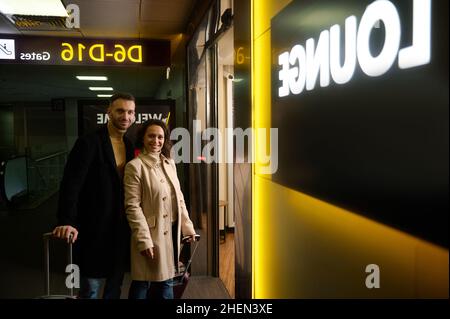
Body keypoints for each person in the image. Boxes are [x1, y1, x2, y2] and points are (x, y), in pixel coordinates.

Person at [52, 92, 136, 299]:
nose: (126, 116)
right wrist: (67, 220)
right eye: (120, 111)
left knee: (114, 287)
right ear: (109, 112)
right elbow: (71, 184)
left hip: (120, 229)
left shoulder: (130, 145)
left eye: (130, 112)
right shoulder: (88, 143)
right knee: (91, 288)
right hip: (93, 229)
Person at [124, 119, 197, 299]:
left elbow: (179, 198)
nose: (156, 141)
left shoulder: (169, 163)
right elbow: (132, 207)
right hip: (151, 234)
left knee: (167, 280)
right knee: (143, 282)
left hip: (172, 232)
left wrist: (187, 227)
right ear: (142, 138)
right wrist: (143, 240)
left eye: (160, 137)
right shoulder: (135, 166)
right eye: (151, 136)